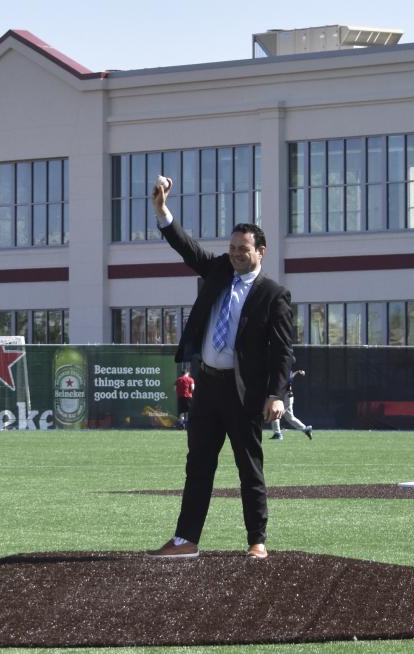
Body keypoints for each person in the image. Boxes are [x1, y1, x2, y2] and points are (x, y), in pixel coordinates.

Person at [146, 175, 294, 561]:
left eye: (242, 249)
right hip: (208, 387)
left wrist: (277, 394)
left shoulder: (273, 295)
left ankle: (257, 541)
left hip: (244, 393)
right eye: (231, 248)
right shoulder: (218, 272)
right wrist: (163, 211)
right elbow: (188, 248)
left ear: (261, 251)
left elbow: (283, 350)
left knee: (249, 469)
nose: (235, 254)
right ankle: (185, 541)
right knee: (198, 466)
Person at [270, 369, 312, 441]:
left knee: (276, 413)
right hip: (286, 396)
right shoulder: (284, 370)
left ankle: (278, 434)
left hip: (287, 397)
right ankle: (306, 429)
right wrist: (298, 372)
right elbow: (291, 376)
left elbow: (287, 380)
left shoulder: (284, 370)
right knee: (290, 418)